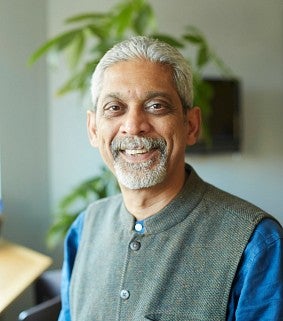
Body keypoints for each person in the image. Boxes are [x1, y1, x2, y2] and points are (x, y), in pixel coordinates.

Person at [58, 36, 283, 321]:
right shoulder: (83, 229)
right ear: (93, 130)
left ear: (191, 125)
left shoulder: (257, 244)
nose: (133, 126)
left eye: (156, 106)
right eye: (115, 108)